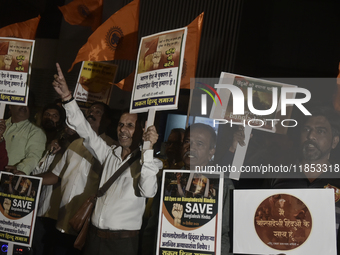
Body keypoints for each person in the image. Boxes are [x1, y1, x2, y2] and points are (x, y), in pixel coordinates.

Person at [52, 63, 162, 255]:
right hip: (94, 238)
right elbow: (85, 130)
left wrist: (149, 149)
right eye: (121, 125)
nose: (123, 129)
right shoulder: (108, 152)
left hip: (122, 244)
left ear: (141, 131)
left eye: (130, 125)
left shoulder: (150, 162)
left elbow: (148, 190)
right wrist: (67, 98)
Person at [35, 101, 116, 255]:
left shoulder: (112, 149)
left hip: (85, 225)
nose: (91, 114)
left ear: (107, 121)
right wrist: (29, 179)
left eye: (97, 112)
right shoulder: (74, 144)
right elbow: (56, 175)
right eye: (90, 111)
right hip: (63, 219)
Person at [270, 106, 340, 252]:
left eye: (320, 131)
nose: (311, 136)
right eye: (306, 130)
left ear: (334, 141)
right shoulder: (277, 176)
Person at [1, 103, 46, 175]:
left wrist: (19, 169)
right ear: (10, 106)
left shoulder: (36, 131)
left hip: (10, 178)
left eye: (28, 103)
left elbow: (34, 157)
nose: (24, 106)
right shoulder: (2, 124)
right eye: (21, 102)